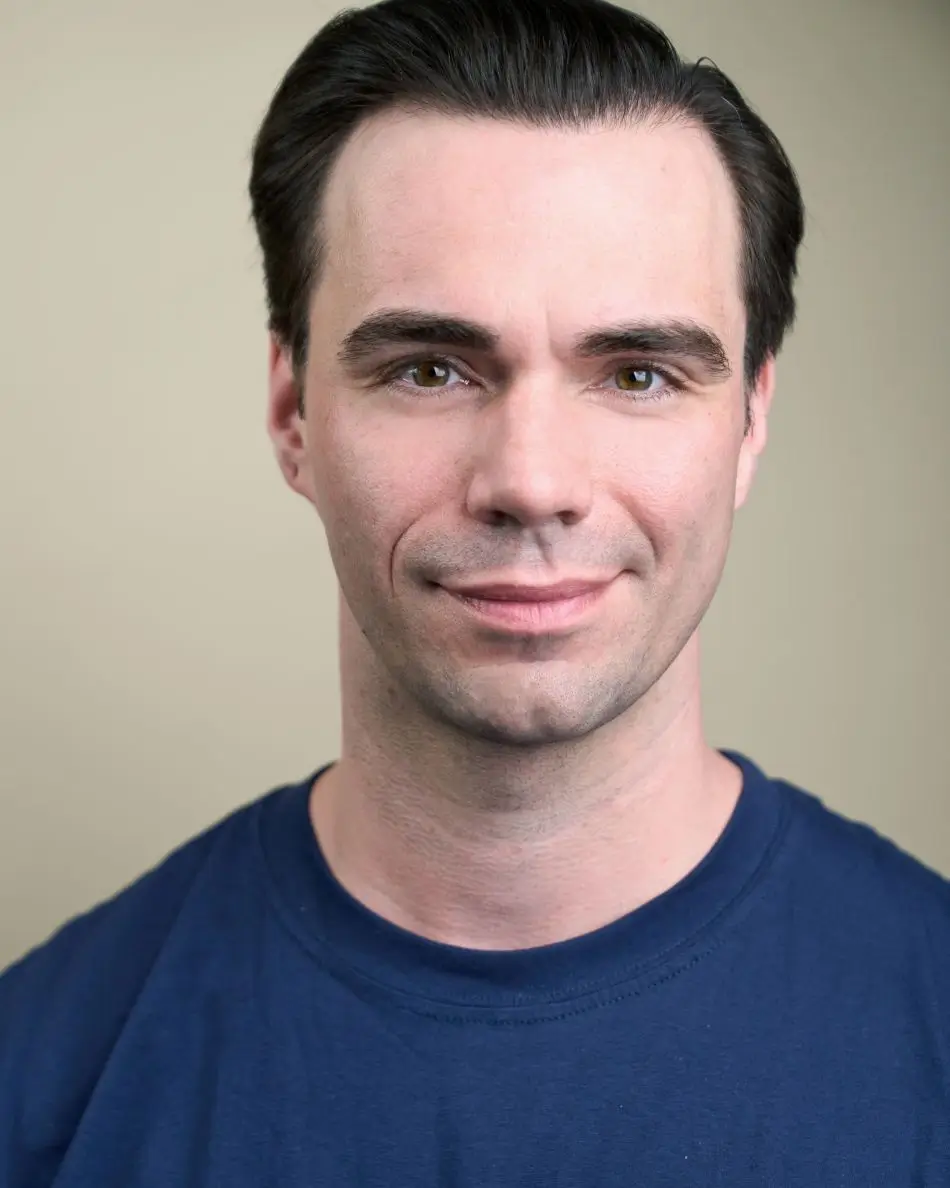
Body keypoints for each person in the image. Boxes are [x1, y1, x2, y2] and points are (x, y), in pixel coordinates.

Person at [2, 0, 948, 1182]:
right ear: (293, 411)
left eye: (638, 373)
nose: (531, 483)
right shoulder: (38, 1084)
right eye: (431, 368)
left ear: (751, 416)